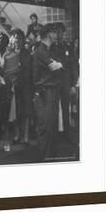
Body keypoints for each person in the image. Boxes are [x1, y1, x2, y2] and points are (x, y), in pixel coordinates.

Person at [32, 24, 64, 161]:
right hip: (45, 94)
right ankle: (42, 159)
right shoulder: (41, 51)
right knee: (45, 128)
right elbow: (55, 68)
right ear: (49, 34)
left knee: (51, 127)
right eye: (55, 32)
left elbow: (62, 66)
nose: (57, 35)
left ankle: (49, 158)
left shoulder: (51, 50)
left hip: (51, 93)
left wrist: (60, 64)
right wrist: (60, 65)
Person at [50, 22, 73, 136]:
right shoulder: (51, 47)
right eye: (56, 31)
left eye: (60, 31)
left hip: (65, 82)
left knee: (65, 108)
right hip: (53, 82)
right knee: (53, 108)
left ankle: (67, 132)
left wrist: (73, 84)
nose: (58, 34)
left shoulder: (68, 47)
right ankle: (54, 133)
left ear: (63, 33)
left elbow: (73, 66)